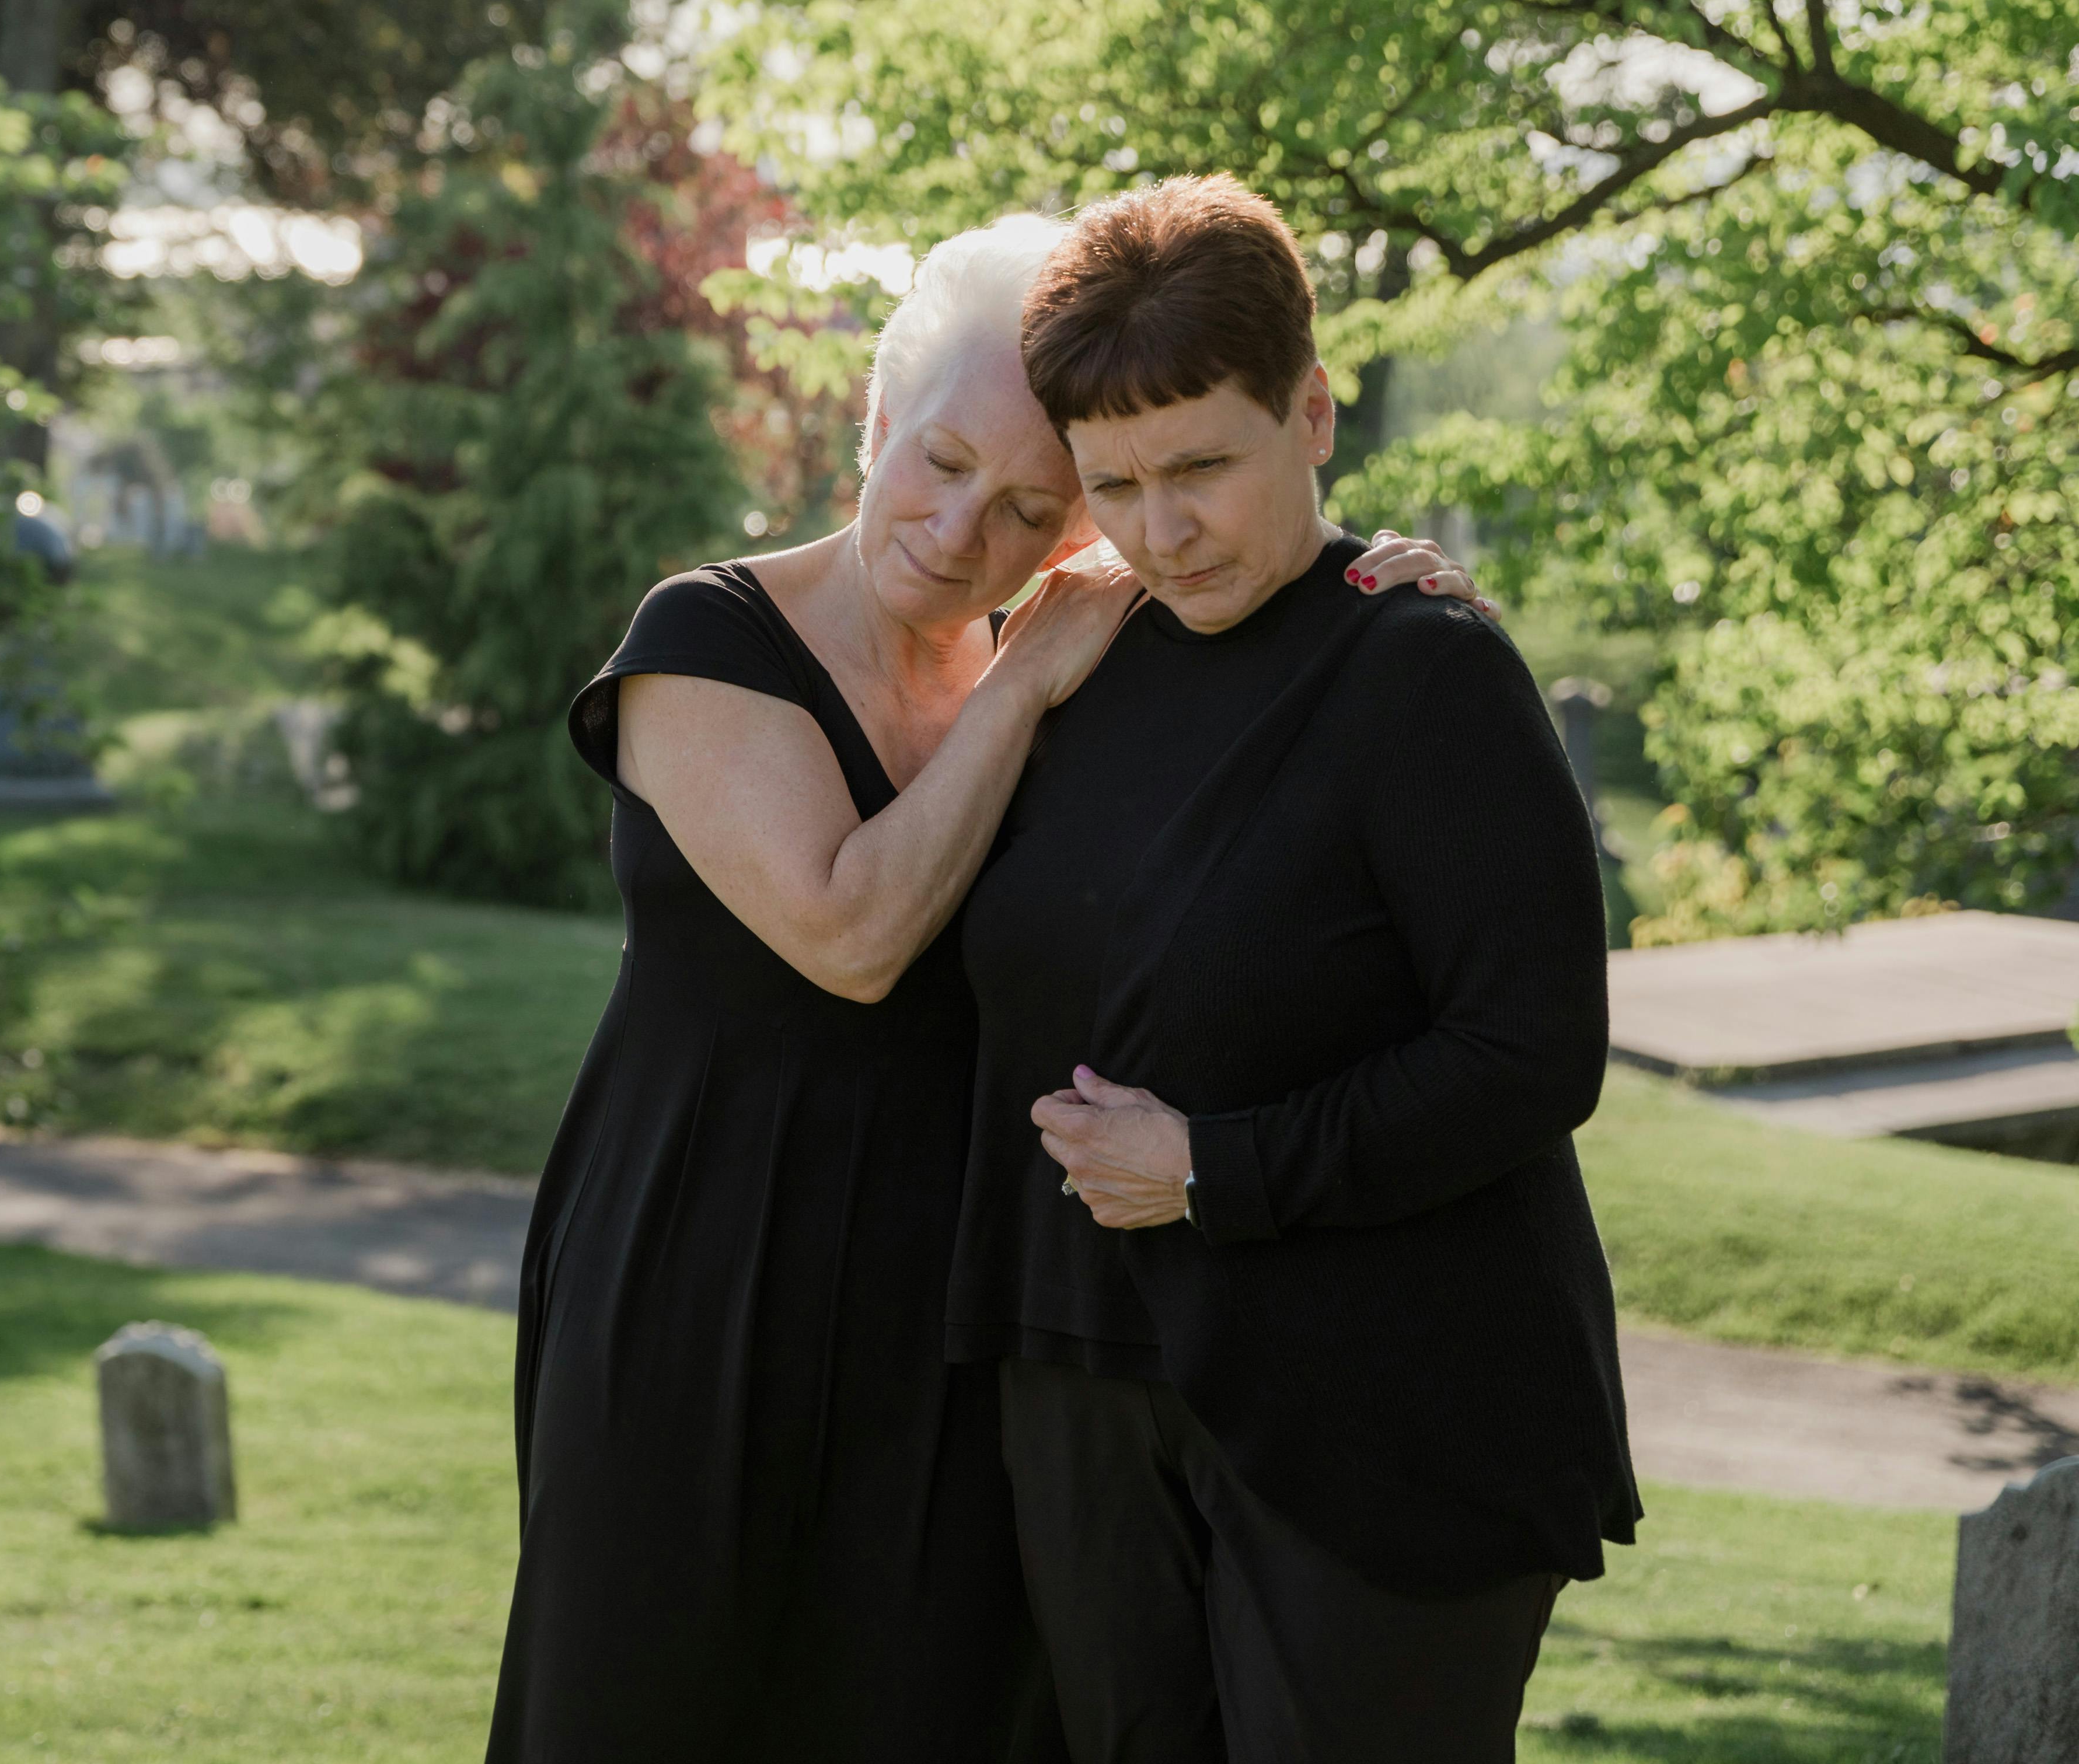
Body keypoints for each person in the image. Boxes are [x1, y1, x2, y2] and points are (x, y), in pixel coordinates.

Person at [486, 218, 1480, 1763]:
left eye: (1032, 509)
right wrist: (1022, 680)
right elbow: (851, 932)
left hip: (952, 1305)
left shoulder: (1081, 663)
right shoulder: (703, 641)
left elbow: (1250, 603)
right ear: (875, 421)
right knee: (648, 1705)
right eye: (940, 463)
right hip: (697, 1276)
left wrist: (1377, 587)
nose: (964, 532)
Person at [947, 176, 1639, 1763]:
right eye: (1113, 482)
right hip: (1080, 1374)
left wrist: (1211, 1166)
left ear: (1313, 413)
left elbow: (1534, 1054)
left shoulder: (1424, 666)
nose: (1162, 527)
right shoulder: (1066, 656)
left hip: (1385, 1407)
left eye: (1203, 466)